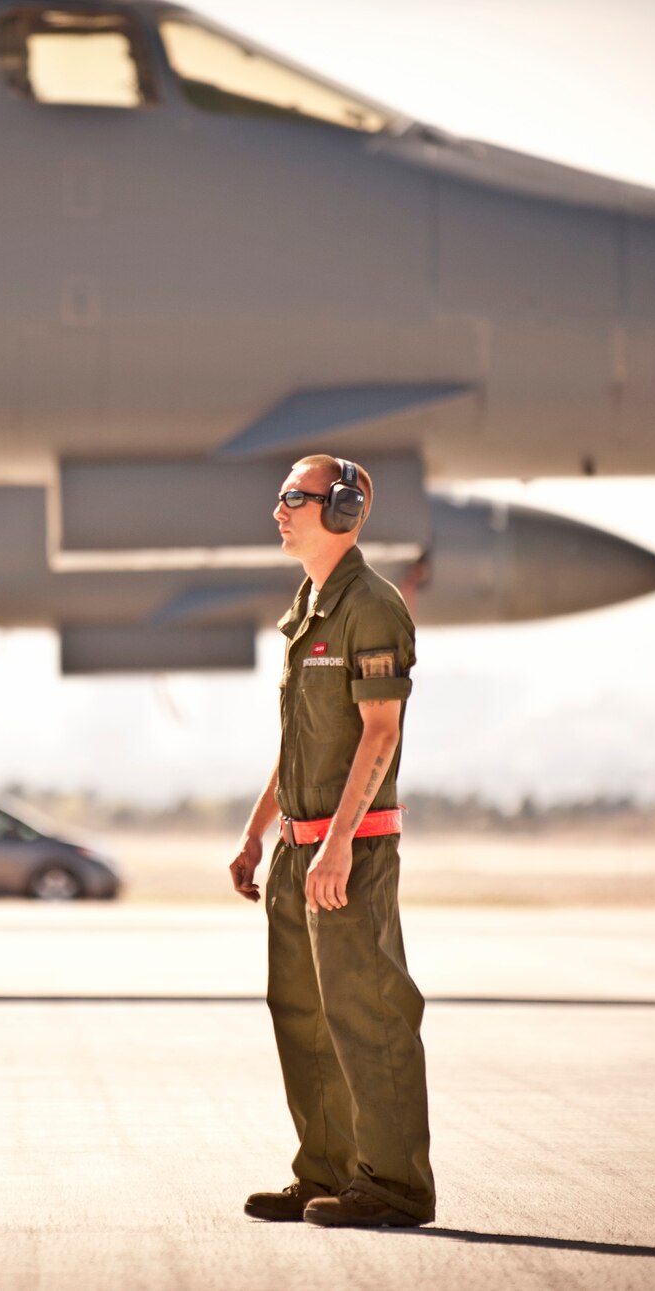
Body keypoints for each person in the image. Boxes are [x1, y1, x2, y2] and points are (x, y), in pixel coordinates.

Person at [229, 454, 434, 1229]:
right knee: (303, 1013)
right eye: (280, 496)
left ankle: (395, 1185)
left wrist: (340, 842)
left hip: (349, 850)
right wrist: (257, 833)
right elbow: (300, 740)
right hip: (296, 849)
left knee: (368, 1014)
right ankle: (325, 1172)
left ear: (343, 511)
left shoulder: (370, 608)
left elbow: (381, 730)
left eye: (294, 498)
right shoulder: (307, 607)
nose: (278, 510)